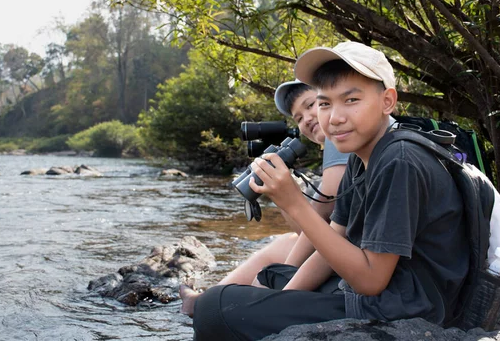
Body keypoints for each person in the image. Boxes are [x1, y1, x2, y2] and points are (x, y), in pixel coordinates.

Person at [184, 41, 470, 341]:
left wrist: (294, 203)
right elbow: (334, 239)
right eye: (324, 103)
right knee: (272, 276)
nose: (334, 117)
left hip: (411, 309)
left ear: (387, 101)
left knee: (214, 310)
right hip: (387, 292)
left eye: (351, 100)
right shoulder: (364, 156)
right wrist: (279, 303)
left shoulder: (399, 160)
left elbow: (371, 280)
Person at [179, 79, 349, 313]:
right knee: (287, 241)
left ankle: (209, 302)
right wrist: (278, 192)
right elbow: (307, 229)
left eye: (311, 105)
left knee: (280, 255)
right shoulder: (340, 144)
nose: (307, 118)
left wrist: (281, 277)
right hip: (352, 254)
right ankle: (207, 298)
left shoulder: (337, 141)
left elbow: (322, 212)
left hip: (355, 269)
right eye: (298, 117)